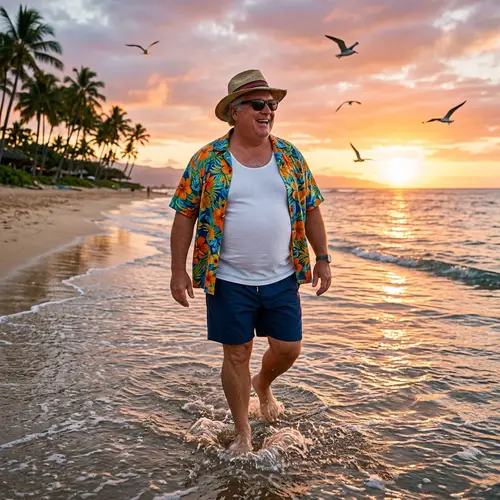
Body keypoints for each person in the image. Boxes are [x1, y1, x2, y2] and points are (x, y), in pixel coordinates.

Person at [169, 69, 331, 454]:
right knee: (237, 353)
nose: (268, 111)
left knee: (289, 347)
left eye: (272, 105)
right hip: (227, 278)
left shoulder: (290, 156)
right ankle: (243, 431)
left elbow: (311, 210)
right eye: (259, 104)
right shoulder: (207, 159)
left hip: (282, 275)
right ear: (235, 112)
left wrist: (322, 258)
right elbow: (184, 214)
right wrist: (178, 270)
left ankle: (264, 384)